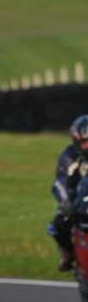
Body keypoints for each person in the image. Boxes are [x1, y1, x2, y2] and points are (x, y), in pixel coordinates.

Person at [48, 114, 88, 271]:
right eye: (85, 142)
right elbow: (60, 182)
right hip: (77, 201)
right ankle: (68, 253)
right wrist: (65, 201)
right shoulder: (69, 156)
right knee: (59, 224)